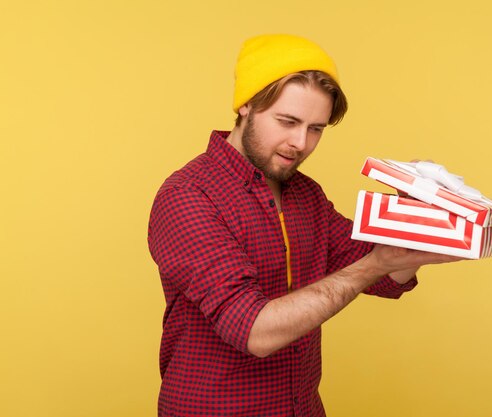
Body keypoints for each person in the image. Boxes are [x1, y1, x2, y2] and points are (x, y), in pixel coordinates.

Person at [148, 34, 460, 417]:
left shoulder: (306, 195)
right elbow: (253, 330)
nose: (300, 143)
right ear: (245, 104)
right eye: (288, 121)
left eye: (316, 128)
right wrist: (378, 262)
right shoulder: (188, 196)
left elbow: (380, 273)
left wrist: (414, 222)